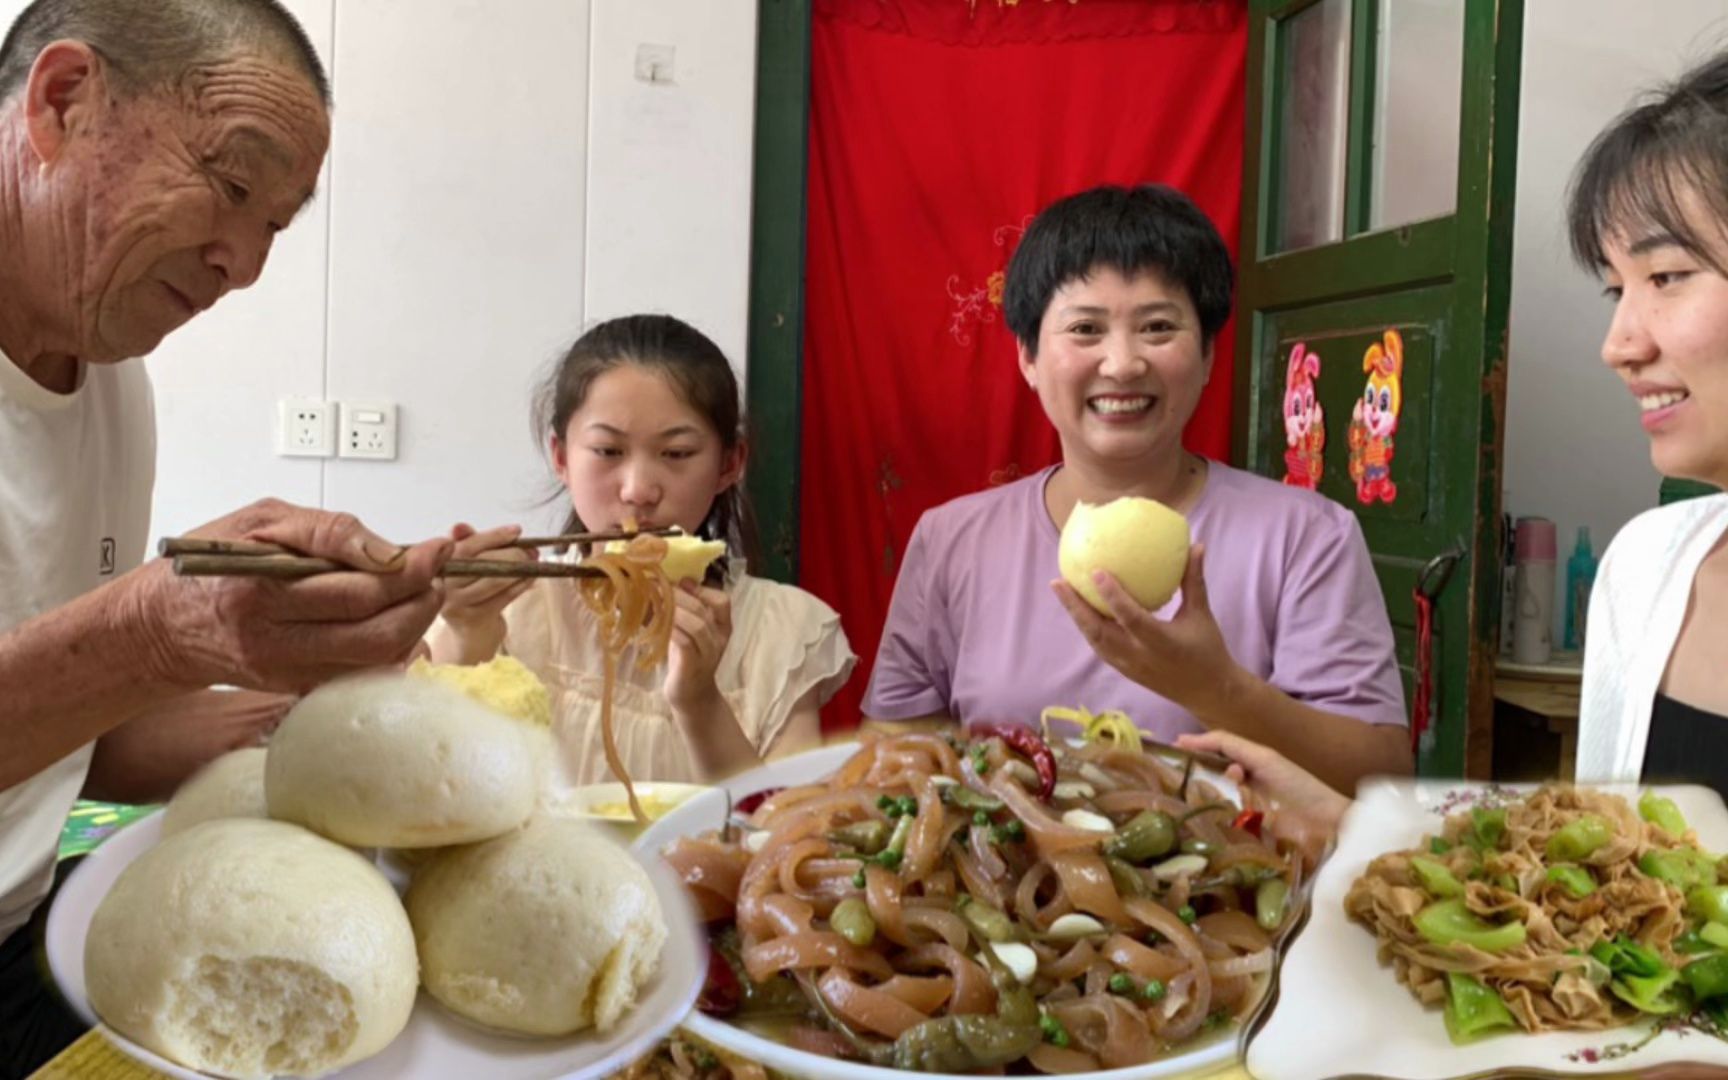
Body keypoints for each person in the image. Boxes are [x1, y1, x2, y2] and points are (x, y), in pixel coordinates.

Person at [0, 3, 451, 1074]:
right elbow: (119, 655)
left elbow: (57, 756)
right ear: (63, 103)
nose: (243, 265)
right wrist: (159, 634)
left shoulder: (115, 383)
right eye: (233, 187)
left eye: (276, 228)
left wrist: (292, 711)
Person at [863, 184, 1411, 794]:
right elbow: (892, 765)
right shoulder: (951, 540)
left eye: (1156, 326)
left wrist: (1216, 689)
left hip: (1241, 879)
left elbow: (1380, 776)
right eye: (1085, 329)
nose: (1122, 363)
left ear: (1206, 355)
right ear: (1027, 357)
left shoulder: (1307, 536)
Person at [429, 314, 856, 792]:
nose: (638, 491)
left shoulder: (784, 630)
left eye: (676, 454)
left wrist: (700, 702)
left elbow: (783, 838)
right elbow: (422, 787)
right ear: (562, 457)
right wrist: (466, 632)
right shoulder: (508, 605)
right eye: (608, 451)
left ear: (729, 464)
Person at [1568, 51, 1728, 788]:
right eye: (1616, 290)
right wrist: (1351, 833)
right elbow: (1607, 882)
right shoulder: (1643, 570)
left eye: (1666, 277)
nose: (1619, 346)